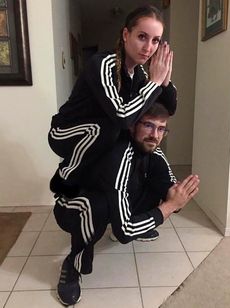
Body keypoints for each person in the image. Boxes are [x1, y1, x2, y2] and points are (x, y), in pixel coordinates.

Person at [53, 102, 200, 306]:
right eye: (148, 125)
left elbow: (171, 189)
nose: (154, 135)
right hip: (72, 205)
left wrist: (175, 195)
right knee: (98, 207)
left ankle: (126, 219)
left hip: (109, 195)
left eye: (161, 129)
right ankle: (73, 265)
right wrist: (169, 206)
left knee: (153, 180)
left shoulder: (153, 152)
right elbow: (124, 232)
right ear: (132, 126)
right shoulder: (119, 155)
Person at [48, 5, 177, 198]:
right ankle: (64, 177)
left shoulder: (139, 75)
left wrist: (164, 82)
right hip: (65, 133)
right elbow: (123, 118)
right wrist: (155, 82)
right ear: (126, 34)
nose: (149, 47)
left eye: (155, 41)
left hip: (99, 135)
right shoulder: (102, 64)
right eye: (142, 37)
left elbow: (167, 110)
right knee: (113, 128)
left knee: (131, 135)